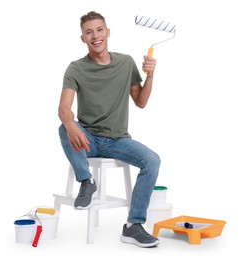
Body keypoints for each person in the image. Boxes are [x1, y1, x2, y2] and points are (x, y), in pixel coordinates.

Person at [58, 11, 161, 248]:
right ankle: (86, 182)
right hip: (89, 139)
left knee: (152, 160)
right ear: (83, 38)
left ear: (108, 32)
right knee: (64, 128)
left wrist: (151, 75)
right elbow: (63, 108)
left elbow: (141, 101)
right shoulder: (76, 68)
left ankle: (133, 226)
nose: (95, 36)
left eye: (99, 30)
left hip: (118, 140)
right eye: (89, 32)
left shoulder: (126, 63)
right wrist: (71, 123)